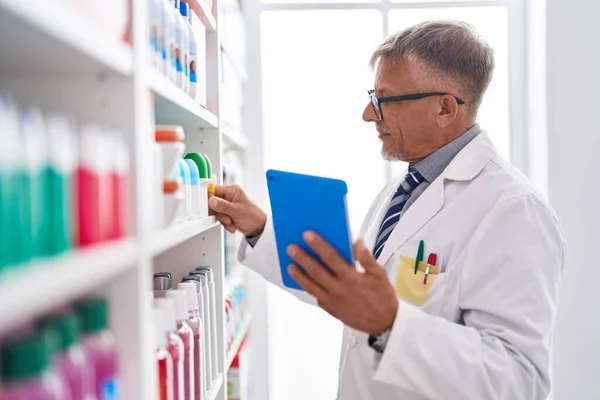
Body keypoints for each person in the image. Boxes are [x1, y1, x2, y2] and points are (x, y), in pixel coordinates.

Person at [208, 20, 565, 400]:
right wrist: (260, 229)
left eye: (384, 99)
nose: (367, 113)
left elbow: (518, 380)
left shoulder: (513, 210)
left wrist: (391, 325)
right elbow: (348, 290)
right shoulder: (401, 191)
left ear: (444, 108)